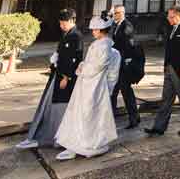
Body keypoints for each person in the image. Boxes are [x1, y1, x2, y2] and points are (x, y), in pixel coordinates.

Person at [55, 16, 122, 160]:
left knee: (88, 113)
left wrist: (82, 69)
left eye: (94, 29)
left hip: (94, 85)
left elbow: (97, 66)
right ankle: (78, 142)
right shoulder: (100, 44)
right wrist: (83, 66)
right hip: (89, 83)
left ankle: (87, 143)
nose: (93, 32)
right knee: (84, 112)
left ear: (100, 30)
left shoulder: (104, 46)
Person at [16, 9, 82, 149]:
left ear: (71, 21)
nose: (61, 26)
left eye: (63, 23)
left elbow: (74, 60)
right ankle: (47, 136)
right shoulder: (68, 34)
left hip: (65, 78)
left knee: (60, 107)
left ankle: (57, 137)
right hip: (58, 74)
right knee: (50, 104)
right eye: (60, 23)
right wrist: (55, 60)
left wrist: (67, 77)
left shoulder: (76, 36)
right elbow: (63, 54)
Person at [145, 6, 180, 136]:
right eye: (168, 16)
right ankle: (159, 126)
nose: (168, 18)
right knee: (166, 98)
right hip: (169, 68)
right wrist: (165, 65)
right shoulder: (171, 29)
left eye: (171, 16)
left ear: (179, 16)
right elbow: (168, 50)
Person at [109, 5, 142, 129]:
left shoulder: (127, 25)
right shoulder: (116, 26)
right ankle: (110, 118)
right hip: (116, 64)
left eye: (117, 13)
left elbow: (127, 42)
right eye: (114, 13)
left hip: (124, 65)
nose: (115, 16)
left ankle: (134, 117)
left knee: (126, 92)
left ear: (122, 13)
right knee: (113, 91)